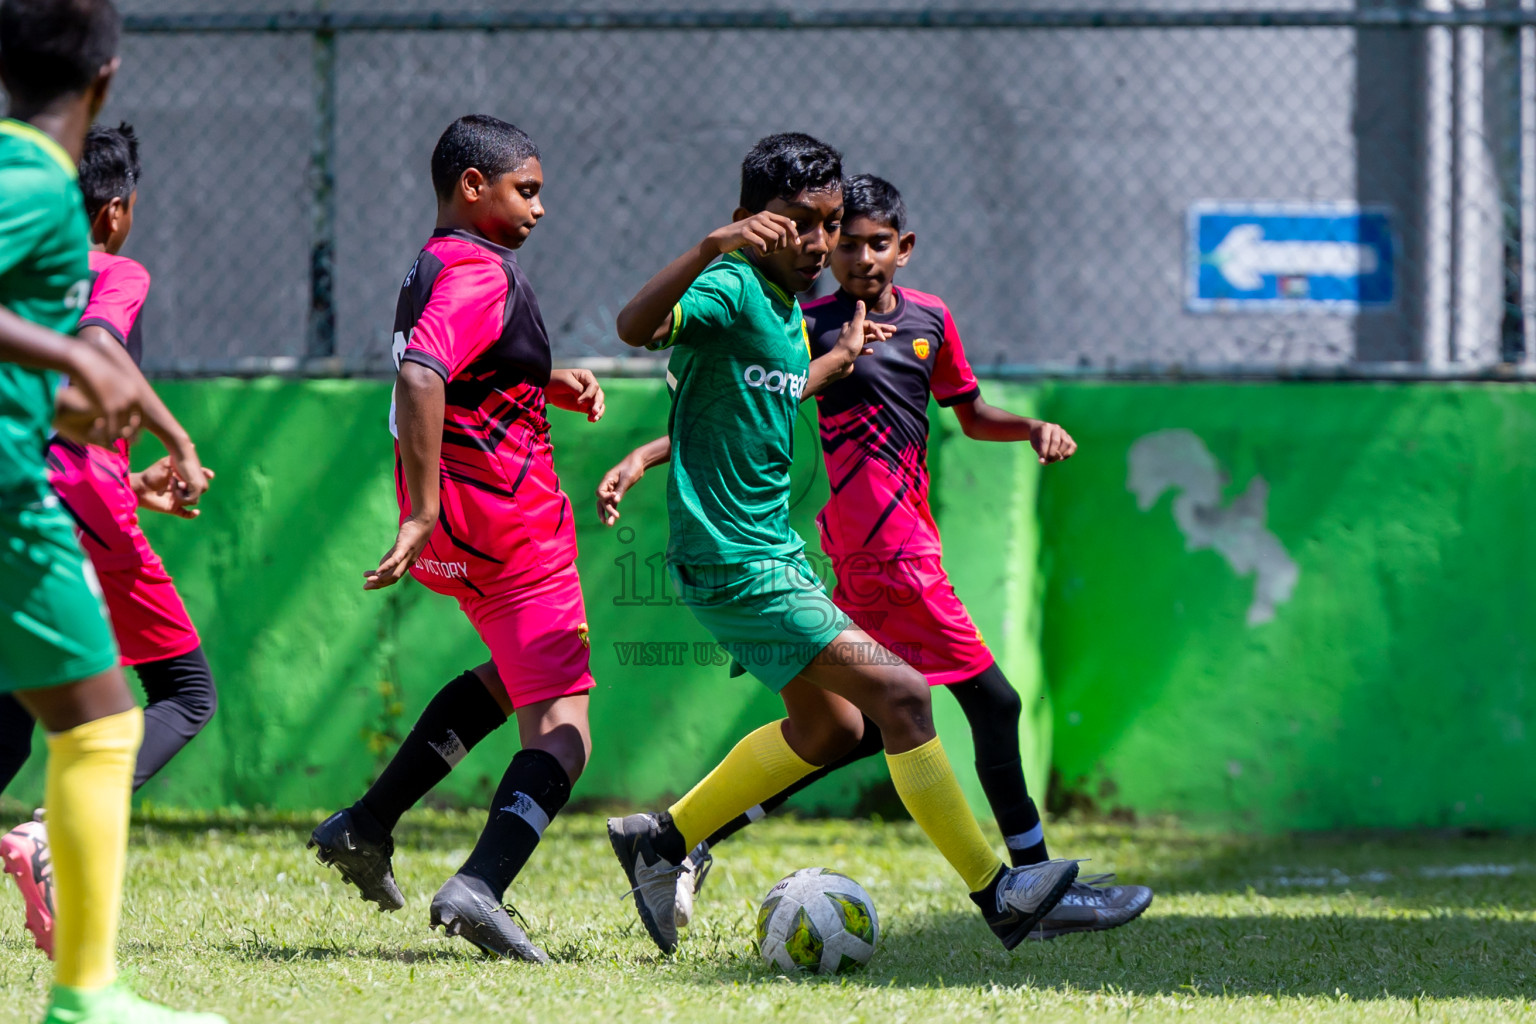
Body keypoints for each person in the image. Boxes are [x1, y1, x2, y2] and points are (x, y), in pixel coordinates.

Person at [598, 174, 1153, 941]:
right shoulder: (745, 290)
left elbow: (766, 399)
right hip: (817, 558)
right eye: (819, 227)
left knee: (836, 732)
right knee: (925, 701)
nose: (835, 248)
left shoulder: (824, 318)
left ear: (904, 247)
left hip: (793, 554)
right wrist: (648, 451)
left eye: (848, 231)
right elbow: (648, 334)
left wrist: (1022, 425)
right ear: (757, 223)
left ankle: (664, 842)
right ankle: (1009, 895)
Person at [308, 114, 605, 964]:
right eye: (527, 190)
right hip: (511, 530)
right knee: (565, 724)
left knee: (509, 679)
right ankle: (481, 884)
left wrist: (542, 379)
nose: (540, 209)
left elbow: (458, 369)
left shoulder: (432, 263)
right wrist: (424, 507)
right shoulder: (480, 270)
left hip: (466, 542)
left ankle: (366, 824)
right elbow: (421, 373)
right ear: (473, 187)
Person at [0, 1, 222, 1020]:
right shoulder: (37, 178)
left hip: (36, 492)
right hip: (21, 502)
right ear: (105, 80)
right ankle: (84, 992)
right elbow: (82, 348)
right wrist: (83, 362)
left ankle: (88, 991)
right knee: (142, 705)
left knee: (82, 716)